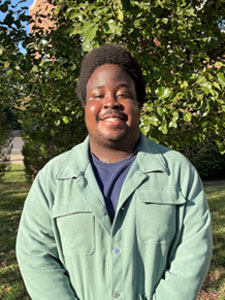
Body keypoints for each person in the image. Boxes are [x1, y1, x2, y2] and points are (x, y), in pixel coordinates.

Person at [16, 44, 212, 300]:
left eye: (123, 94)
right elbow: (35, 254)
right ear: (85, 107)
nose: (110, 102)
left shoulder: (177, 172)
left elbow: (193, 252)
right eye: (98, 95)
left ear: (138, 104)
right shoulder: (52, 179)